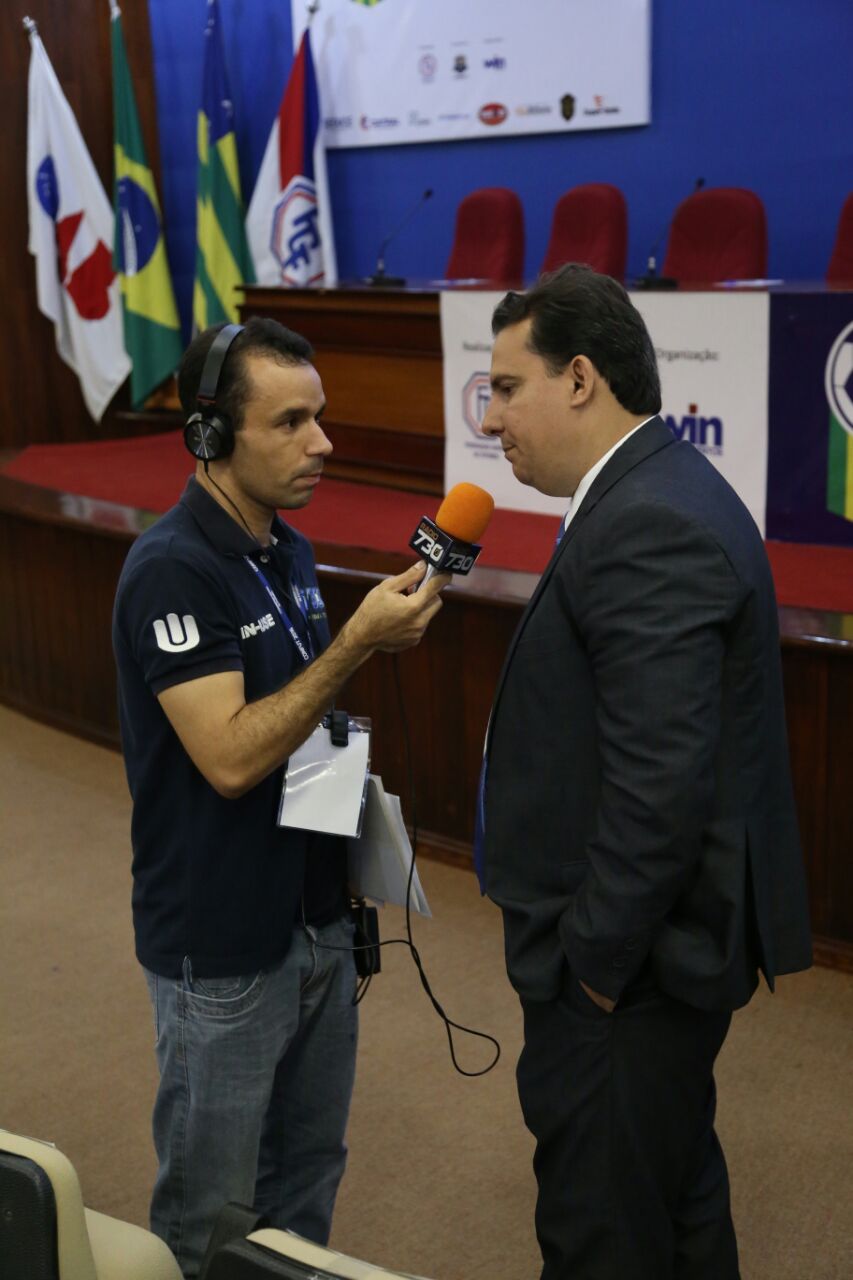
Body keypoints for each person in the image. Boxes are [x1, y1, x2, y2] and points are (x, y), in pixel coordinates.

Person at [477, 265, 812, 1280]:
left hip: (629, 976)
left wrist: (592, 968)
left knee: (604, 1233)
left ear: (580, 378)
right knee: (673, 1199)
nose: (490, 418)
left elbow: (658, 785)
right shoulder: (650, 487)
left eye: (506, 387)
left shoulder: (645, 519)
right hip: (655, 969)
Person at [112, 317, 447, 1278]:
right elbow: (226, 757)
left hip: (318, 926)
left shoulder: (286, 551)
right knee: (211, 1212)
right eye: (290, 423)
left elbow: (303, 729)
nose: (322, 443)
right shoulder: (172, 567)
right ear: (212, 435)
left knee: (305, 1185)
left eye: (320, 416)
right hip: (222, 945)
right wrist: (354, 646)